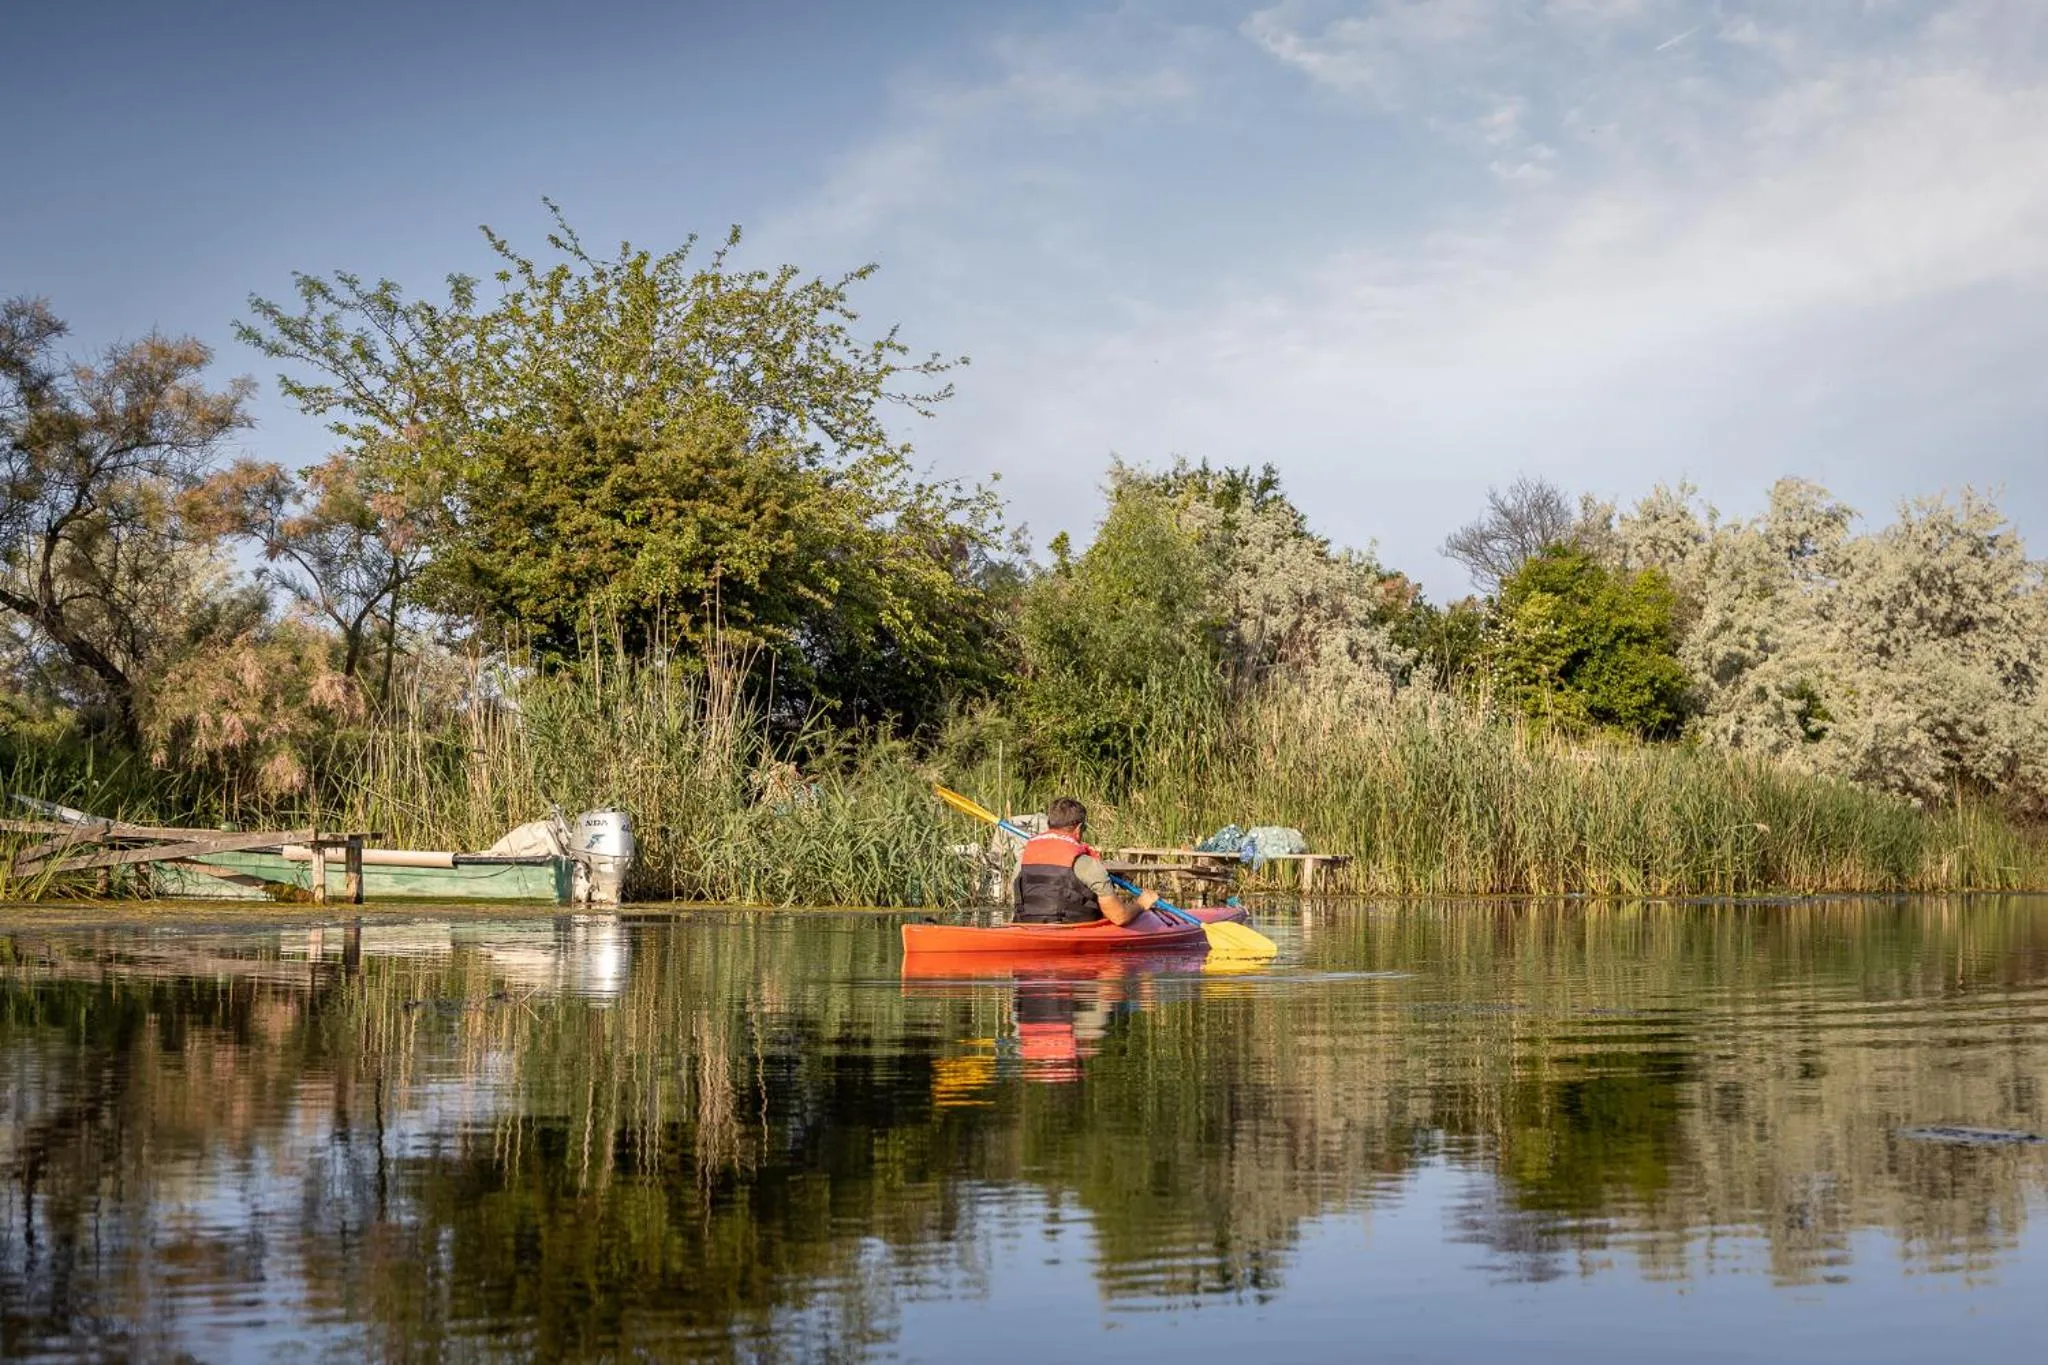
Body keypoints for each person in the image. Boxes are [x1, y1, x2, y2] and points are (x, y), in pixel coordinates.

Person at [1012, 797, 1159, 925]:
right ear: (1079, 828)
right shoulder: (1087, 865)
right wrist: (1141, 904)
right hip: (1070, 929)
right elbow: (1119, 917)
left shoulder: (1023, 859)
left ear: (1050, 825)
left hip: (1025, 926)